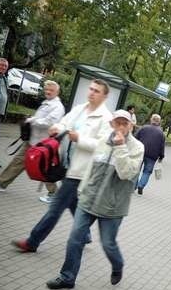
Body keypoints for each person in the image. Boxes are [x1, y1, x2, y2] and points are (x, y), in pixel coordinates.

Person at [45, 109, 144, 289]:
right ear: (111, 124)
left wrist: (121, 147)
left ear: (131, 125)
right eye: (118, 122)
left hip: (112, 206)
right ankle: (67, 277)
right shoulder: (102, 141)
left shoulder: (137, 147)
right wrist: (82, 190)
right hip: (88, 199)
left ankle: (117, 265)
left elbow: (127, 173)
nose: (121, 126)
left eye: (125, 123)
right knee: (75, 238)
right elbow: (91, 167)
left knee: (108, 244)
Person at [11, 79, 113, 253]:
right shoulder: (80, 109)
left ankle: (32, 241)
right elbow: (64, 123)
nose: (91, 93)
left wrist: (79, 138)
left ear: (105, 95)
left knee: (56, 207)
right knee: (72, 203)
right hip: (65, 162)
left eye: (96, 91)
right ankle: (85, 234)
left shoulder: (106, 118)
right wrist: (56, 128)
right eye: (91, 89)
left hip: (80, 171)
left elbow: (102, 147)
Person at [0, 80, 64, 195]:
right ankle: (0, 183)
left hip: (42, 143)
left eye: (51, 90)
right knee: (19, 162)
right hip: (33, 140)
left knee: (43, 168)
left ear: (57, 92)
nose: (48, 92)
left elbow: (49, 122)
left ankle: (55, 193)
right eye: (46, 89)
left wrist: (32, 120)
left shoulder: (57, 106)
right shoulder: (47, 102)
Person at [134, 113, 165, 194]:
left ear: (151, 119)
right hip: (152, 156)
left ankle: (133, 186)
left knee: (137, 169)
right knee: (147, 172)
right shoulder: (161, 133)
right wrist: (161, 156)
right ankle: (141, 186)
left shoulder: (143, 128)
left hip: (140, 152)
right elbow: (162, 146)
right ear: (159, 122)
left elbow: (135, 138)